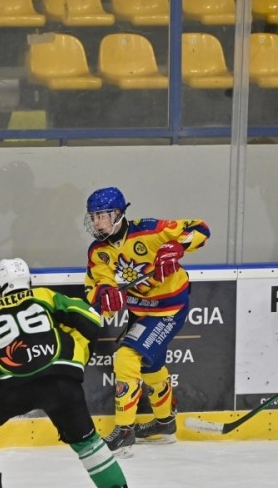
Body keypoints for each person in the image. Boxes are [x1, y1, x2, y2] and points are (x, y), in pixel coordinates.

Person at [0, 257, 144, 488]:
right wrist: (74, 358)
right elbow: (90, 319)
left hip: (15, 387)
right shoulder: (46, 297)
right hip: (62, 384)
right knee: (87, 442)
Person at [83, 186, 210, 458]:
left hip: (169, 308)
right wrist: (106, 294)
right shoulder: (98, 251)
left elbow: (200, 228)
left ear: (118, 214)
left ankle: (124, 431)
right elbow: (97, 283)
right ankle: (165, 423)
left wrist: (177, 247)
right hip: (139, 311)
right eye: (93, 217)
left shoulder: (151, 231)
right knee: (151, 366)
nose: (97, 222)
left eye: (102, 215)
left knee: (126, 357)